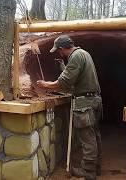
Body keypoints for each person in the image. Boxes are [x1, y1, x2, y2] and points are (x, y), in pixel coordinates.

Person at [37, 35, 102, 180]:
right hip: (94, 100)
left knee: (87, 139)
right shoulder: (84, 53)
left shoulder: (76, 56)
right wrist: (62, 66)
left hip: (85, 104)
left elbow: (65, 81)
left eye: (58, 51)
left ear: (62, 48)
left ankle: (88, 172)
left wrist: (46, 84)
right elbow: (75, 78)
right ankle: (95, 168)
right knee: (94, 136)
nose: (59, 54)